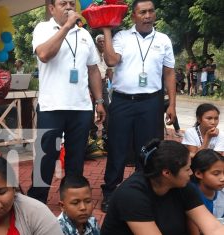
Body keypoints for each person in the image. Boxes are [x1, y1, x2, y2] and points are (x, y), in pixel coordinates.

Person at [100, 0, 176, 212]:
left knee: (150, 148)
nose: (147, 15)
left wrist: (172, 105)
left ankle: (145, 190)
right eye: (142, 12)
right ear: (133, 16)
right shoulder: (122, 37)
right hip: (123, 101)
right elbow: (112, 60)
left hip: (152, 101)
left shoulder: (163, 40)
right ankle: (110, 192)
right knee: (117, 147)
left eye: (151, 11)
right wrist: (107, 32)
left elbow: (169, 73)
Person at [27, 0, 105, 204]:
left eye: (72, 2)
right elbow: (44, 54)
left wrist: (99, 100)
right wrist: (67, 26)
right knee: (46, 156)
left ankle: (70, 197)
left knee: (76, 158)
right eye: (63, 3)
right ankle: (37, 200)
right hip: (52, 107)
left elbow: (93, 69)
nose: (69, 6)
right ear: (52, 8)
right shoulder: (43, 28)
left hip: (80, 107)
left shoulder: (85, 34)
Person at [101, 139, 224, 235]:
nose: (191, 173)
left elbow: (213, 228)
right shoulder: (132, 195)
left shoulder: (183, 186)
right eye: (187, 169)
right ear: (167, 173)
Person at [188, 149, 224, 234]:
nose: (223, 178)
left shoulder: (221, 192)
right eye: (216, 174)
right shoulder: (190, 195)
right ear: (198, 174)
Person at [95, 34, 113, 135]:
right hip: (91, 84)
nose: (102, 43)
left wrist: (115, 85)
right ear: (96, 43)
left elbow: (109, 71)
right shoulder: (92, 53)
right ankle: (92, 131)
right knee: (90, 108)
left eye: (103, 41)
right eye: (100, 41)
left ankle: (107, 130)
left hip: (103, 83)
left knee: (106, 104)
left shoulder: (107, 54)